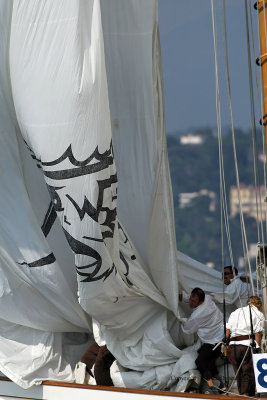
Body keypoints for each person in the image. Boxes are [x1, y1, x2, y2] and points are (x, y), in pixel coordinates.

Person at [179, 288, 224, 394]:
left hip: (216, 341)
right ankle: (220, 383)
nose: (190, 302)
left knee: (200, 362)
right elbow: (188, 297)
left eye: (193, 301)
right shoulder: (207, 299)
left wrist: (180, 318)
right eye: (190, 298)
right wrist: (174, 296)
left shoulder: (197, 315)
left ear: (200, 302)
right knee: (207, 357)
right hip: (219, 336)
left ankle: (213, 387)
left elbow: (187, 329)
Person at [225, 296, 264, 397]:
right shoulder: (258, 314)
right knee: (248, 372)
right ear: (259, 305)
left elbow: (227, 330)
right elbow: (258, 333)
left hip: (233, 346)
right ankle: (246, 395)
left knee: (239, 374)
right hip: (246, 346)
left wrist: (226, 345)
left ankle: (244, 394)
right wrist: (258, 348)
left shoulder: (236, 312)